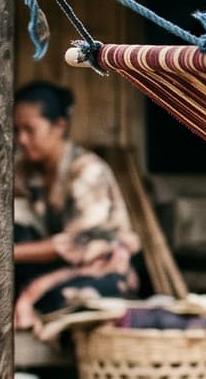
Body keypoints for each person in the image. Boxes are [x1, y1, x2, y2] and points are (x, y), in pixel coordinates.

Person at [12, 81, 141, 327]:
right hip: (50, 266)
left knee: (70, 298)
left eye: (30, 130)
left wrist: (12, 255)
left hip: (100, 267)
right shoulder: (24, 170)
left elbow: (77, 245)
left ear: (59, 126)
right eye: (17, 130)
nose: (22, 139)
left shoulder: (88, 171)